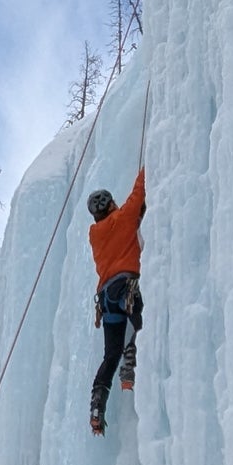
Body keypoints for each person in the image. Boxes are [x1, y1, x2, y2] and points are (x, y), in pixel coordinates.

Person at [86, 168, 146, 436]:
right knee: (142, 324)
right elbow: (138, 196)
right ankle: (131, 359)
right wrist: (144, 170)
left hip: (106, 301)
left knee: (110, 355)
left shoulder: (95, 235)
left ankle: (97, 406)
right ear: (111, 205)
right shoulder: (123, 218)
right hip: (127, 289)